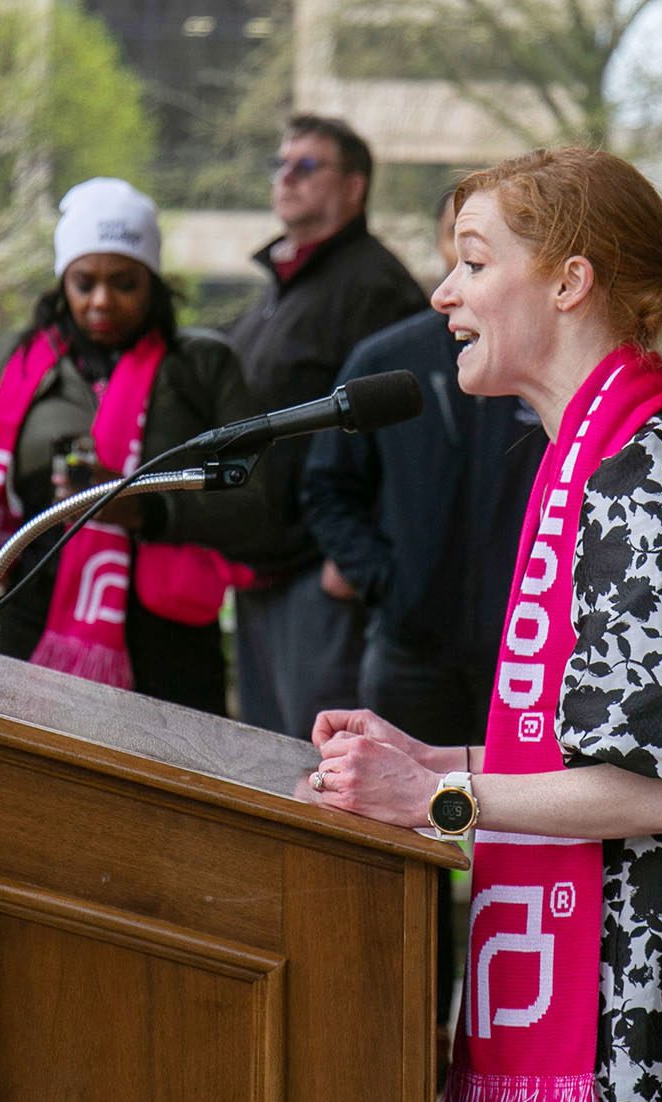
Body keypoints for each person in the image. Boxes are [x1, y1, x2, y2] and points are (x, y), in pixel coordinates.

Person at [307, 146, 662, 1102]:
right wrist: (432, 756)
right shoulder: (586, 462)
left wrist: (434, 797)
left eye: (473, 263)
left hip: (652, 1029)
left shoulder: (659, 475)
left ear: (570, 282)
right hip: (600, 1016)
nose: (444, 293)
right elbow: (590, 742)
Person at [301, 187, 547, 1065]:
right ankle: (416, 1037)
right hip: (411, 649)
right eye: (459, 254)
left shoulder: (539, 370)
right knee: (412, 849)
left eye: (480, 260)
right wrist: (384, 581)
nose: (456, 284)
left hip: (528, 655)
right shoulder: (388, 361)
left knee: (518, 839)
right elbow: (326, 487)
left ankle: (509, 1036)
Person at [0, 177, 261, 713]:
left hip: (169, 646)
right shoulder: (17, 364)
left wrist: (148, 511)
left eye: (124, 283)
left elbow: (258, 505)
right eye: (84, 282)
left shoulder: (203, 366)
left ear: (154, 282)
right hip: (31, 633)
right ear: (62, 284)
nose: (101, 300)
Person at [229, 112, 427, 737]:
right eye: (280, 164)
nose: (286, 178)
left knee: (324, 766)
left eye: (306, 166)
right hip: (261, 566)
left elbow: (406, 439)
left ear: (354, 186)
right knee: (265, 763)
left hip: (322, 575)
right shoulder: (282, 288)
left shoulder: (375, 287)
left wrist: (352, 558)